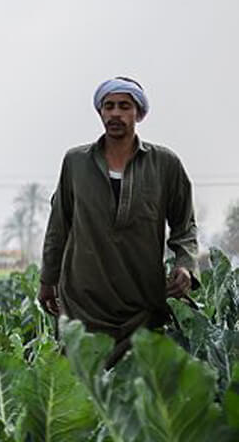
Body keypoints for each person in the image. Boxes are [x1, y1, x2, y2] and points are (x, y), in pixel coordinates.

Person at [38, 76, 199, 359]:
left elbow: (184, 226)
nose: (115, 113)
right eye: (108, 106)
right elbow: (58, 226)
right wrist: (47, 281)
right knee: (81, 389)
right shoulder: (75, 163)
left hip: (142, 304)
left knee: (140, 391)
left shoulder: (165, 164)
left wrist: (185, 266)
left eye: (124, 106)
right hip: (83, 303)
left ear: (138, 112)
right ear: (100, 111)